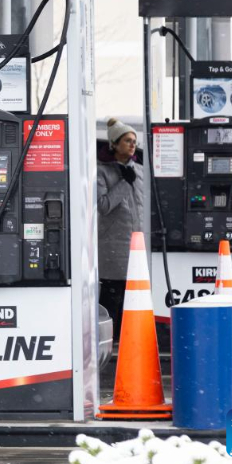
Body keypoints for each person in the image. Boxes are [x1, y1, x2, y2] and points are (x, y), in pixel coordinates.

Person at [98, 118, 143, 342]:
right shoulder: (102, 172)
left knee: (134, 299)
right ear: (114, 144)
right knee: (113, 299)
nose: (132, 144)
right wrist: (124, 183)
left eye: (134, 141)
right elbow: (103, 206)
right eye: (127, 140)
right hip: (113, 249)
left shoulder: (140, 171)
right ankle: (112, 345)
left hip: (139, 246)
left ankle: (130, 341)